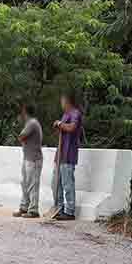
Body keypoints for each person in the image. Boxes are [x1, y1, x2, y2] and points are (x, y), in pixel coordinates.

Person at [52, 91, 83, 221]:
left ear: (67, 101)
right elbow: (62, 131)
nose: (61, 103)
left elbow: (72, 128)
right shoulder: (65, 115)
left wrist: (60, 124)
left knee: (67, 183)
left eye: (62, 101)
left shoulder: (76, 113)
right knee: (56, 183)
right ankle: (59, 208)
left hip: (68, 154)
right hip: (60, 154)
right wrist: (58, 126)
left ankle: (70, 211)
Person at [13, 104, 43, 218]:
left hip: (33, 159)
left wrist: (22, 138)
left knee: (32, 184)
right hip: (28, 158)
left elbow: (21, 136)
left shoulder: (32, 123)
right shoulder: (30, 123)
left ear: (25, 112)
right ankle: (24, 207)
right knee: (25, 184)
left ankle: (33, 210)